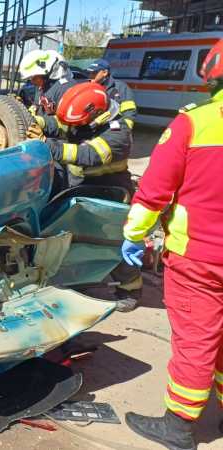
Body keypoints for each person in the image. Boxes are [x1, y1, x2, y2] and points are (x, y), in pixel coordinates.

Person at [121, 40, 223, 450]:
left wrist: (133, 236)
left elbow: (153, 192)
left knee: (196, 340)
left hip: (199, 259)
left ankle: (178, 425)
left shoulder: (194, 123)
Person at [29, 82, 141, 312]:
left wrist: (46, 145)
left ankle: (130, 289)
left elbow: (85, 154)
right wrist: (33, 121)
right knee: (75, 239)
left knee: (111, 243)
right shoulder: (85, 121)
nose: (73, 127)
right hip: (83, 190)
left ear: (95, 115)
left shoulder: (118, 134)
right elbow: (58, 124)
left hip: (110, 196)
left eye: (77, 122)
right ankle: (81, 278)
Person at [18, 49, 77, 117]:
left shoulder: (66, 89)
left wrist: (42, 121)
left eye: (34, 78)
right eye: (30, 78)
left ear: (46, 74)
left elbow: (67, 119)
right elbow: (38, 106)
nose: (32, 82)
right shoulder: (43, 87)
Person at [87, 58, 137, 129]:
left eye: (94, 73)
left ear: (105, 73)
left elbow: (129, 111)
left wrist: (123, 129)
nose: (90, 76)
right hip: (92, 127)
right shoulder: (87, 88)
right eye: (89, 73)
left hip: (113, 126)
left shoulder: (120, 87)